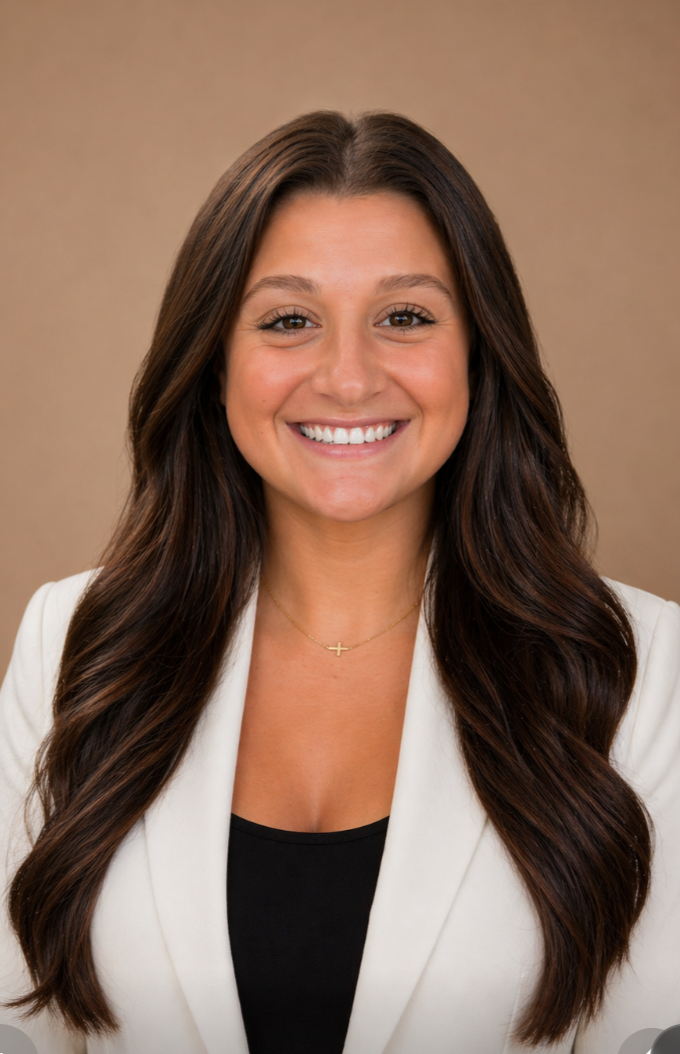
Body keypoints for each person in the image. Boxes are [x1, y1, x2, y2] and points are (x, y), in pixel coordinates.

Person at [0, 111, 679, 1054]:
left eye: (405, 317)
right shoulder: (72, 641)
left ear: (479, 353)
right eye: (289, 320)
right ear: (214, 365)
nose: (350, 378)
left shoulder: (645, 667)